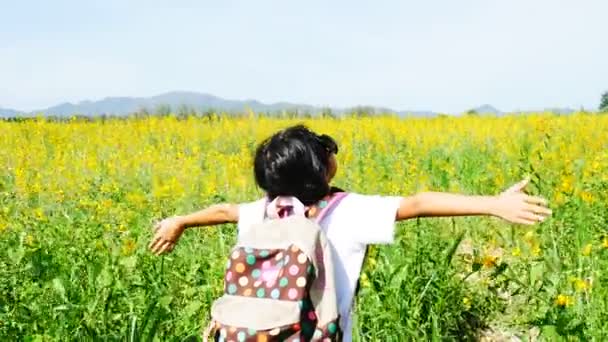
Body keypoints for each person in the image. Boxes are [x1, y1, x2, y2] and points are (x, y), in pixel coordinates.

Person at [148, 124, 552, 341]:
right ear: (322, 169)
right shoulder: (349, 212)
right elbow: (418, 203)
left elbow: (223, 210)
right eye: (326, 149)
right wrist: (493, 205)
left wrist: (178, 221)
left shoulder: (263, 211)